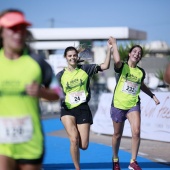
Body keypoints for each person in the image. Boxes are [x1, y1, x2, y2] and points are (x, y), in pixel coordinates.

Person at [0, 9, 61, 170]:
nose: (18, 33)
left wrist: (42, 92)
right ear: (2, 32)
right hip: (2, 142)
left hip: (30, 140)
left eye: (22, 28)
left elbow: (58, 93)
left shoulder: (37, 62)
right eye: (13, 29)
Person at [56, 41, 112, 170]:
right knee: (74, 140)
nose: (72, 58)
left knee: (84, 145)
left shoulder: (86, 69)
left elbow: (105, 66)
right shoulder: (60, 76)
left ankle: (75, 145)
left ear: (77, 56)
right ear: (66, 57)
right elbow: (52, 91)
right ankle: (77, 168)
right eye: (69, 56)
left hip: (83, 108)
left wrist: (110, 49)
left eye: (74, 55)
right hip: (67, 109)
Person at [109, 36, 160, 170]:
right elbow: (117, 60)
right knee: (117, 135)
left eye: (139, 53)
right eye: (135, 51)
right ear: (130, 54)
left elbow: (141, 86)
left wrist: (152, 95)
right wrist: (114, 44)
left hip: (133, 104)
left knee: (136, 132)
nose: (137, 54)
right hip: (118, 104)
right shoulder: (122, 67)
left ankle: (133, 161)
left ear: (139, 58)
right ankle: (115, 158)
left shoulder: (140, 72)